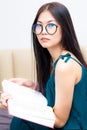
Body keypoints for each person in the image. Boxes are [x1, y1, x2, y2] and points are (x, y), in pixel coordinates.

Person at [1, 1, 87, 130]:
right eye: (39, 26)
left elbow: (59, 121)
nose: (43, 32)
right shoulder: (59, 59)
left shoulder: (65, 65)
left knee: (19, 121)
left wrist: (18, 107)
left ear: (64, 29)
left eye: (51, 25)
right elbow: (61, 94)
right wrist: (34, 86)